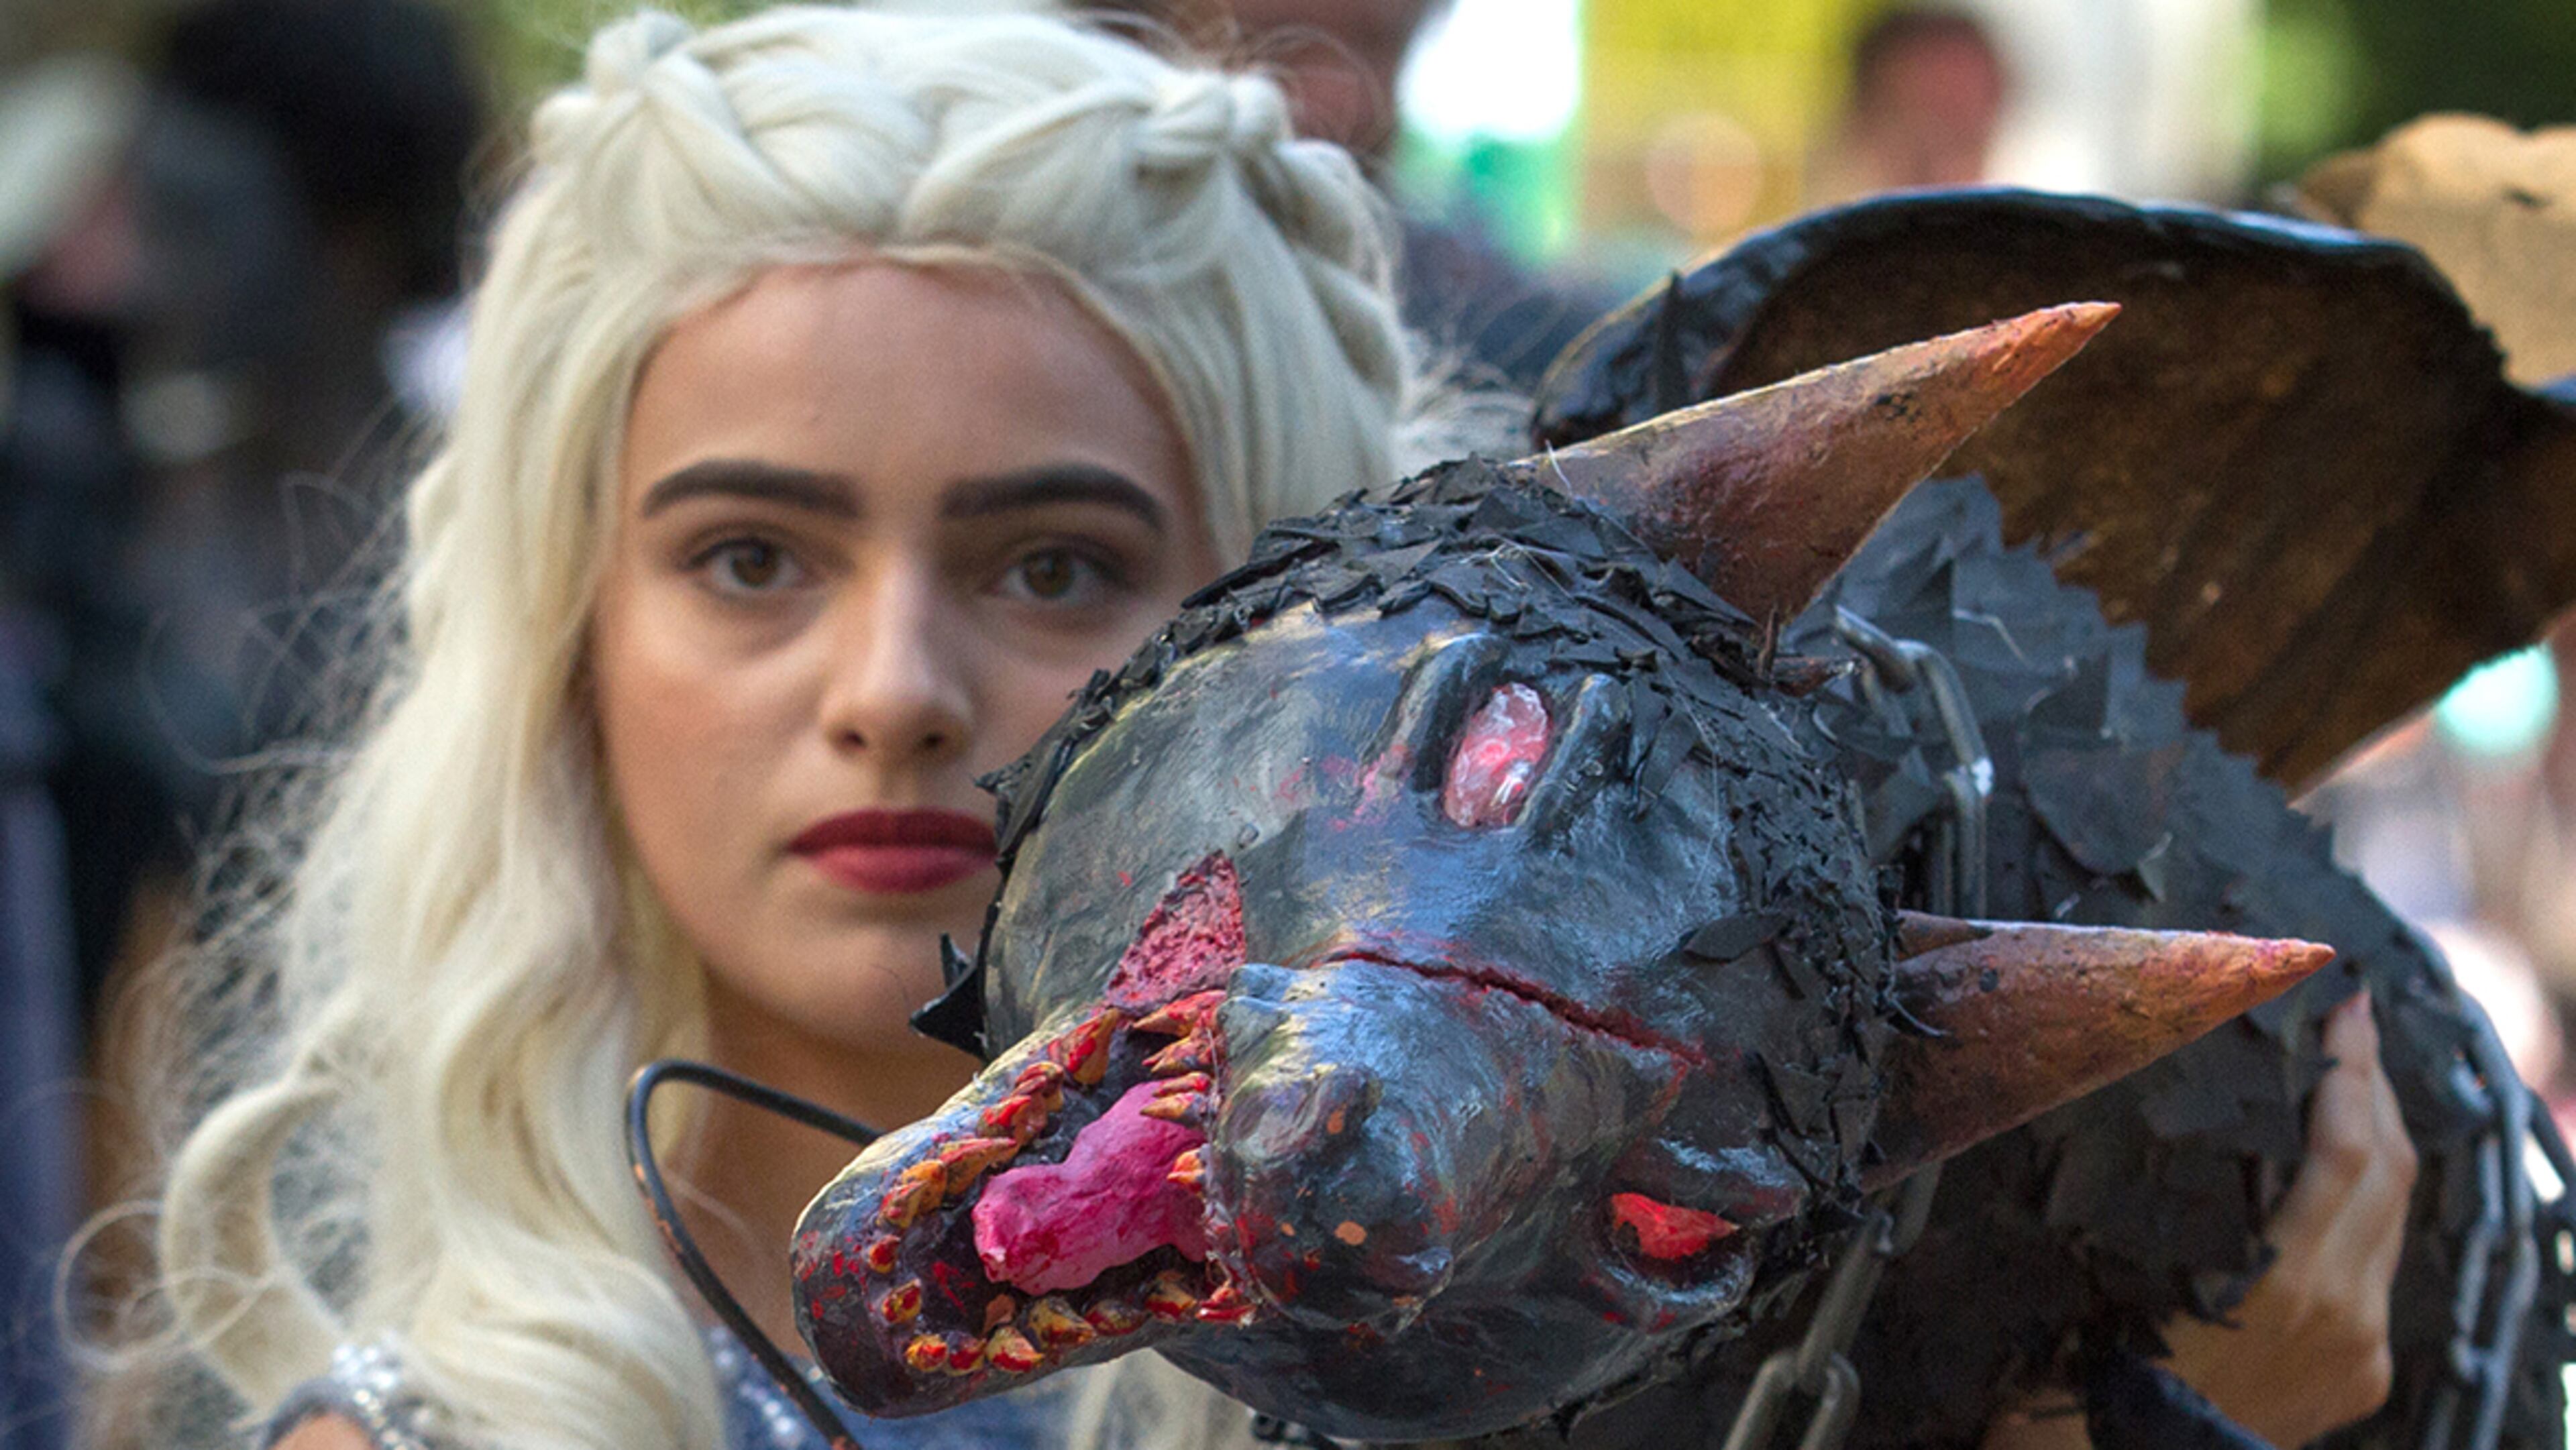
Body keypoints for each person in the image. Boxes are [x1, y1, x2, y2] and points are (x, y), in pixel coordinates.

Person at [99, 8, 2407, 1450]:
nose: (890, 685)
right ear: (567, 647)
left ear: (1268, 637)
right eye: (750, 561)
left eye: (1052, 566)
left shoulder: (1671, 1364)